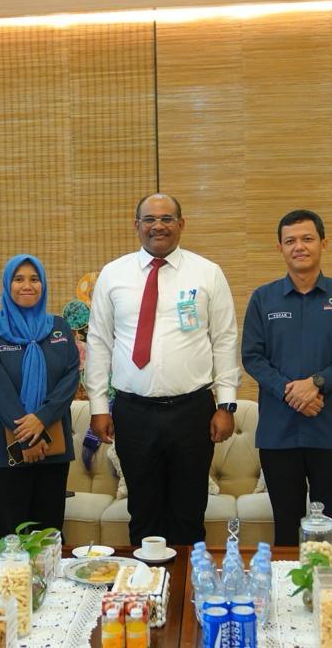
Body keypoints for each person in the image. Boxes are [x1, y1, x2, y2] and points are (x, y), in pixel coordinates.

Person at [86, 193, 240, 546]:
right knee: (143, 513)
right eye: (150, 219)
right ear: (136, 225)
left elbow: (225, 340)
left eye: (167, 219)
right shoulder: (113, 274)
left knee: (189, 514)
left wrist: (226, 405)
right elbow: (99, 343)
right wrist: (98, 406)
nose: (158, 226)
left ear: (181, 224)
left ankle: (187, 582)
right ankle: (148, 582)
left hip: (192, 412)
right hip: (133, 412)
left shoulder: (208, 273)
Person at [241, 209, 332, 546]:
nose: (299, 246)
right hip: (279, 434)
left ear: (323, 243)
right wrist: (292, 393)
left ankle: (328, 584)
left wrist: (316, 384)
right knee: (286, 531)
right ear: (280, 248)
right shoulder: (263, 298)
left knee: (330, 533)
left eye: (307, 238)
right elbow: (252, 357)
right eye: (290, 241)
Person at [0, 254, 80, 538]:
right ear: (7, 285)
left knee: (48, 537)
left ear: (43, 284)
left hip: (53, 448)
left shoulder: (59, 327)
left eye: (34, 279)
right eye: (19, 279)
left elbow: (70, 378)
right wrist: (28, 436)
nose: (27, 285)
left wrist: (42, 419)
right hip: (5, 451)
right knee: (10, 539)